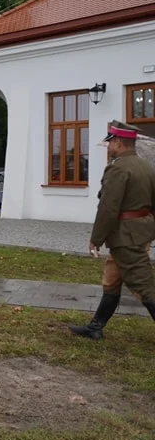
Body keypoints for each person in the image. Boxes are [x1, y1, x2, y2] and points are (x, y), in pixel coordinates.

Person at [70, 120, 155, 340]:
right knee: (112, 279)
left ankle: (95, 327)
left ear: (118, 143)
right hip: (137, 233)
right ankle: (96, 327)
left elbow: (108, 208)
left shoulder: (118, 168)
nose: (108, 147)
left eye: (110, 143)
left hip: (126, 237)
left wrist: (96, 239)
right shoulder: (146, 167)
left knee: (144, 285)